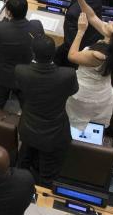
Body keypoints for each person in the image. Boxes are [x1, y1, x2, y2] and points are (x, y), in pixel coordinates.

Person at [66, 0, 113, 129]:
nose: (110, 21)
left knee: (78, 124)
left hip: (85, 94)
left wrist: (80, 31)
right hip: (102, 90)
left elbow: (72, 56)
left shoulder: (97, 55)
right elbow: (92, 16)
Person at [15, 36, 78, 184]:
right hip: (54, 133)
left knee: (22, 163)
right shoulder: (67, 74)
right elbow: (73, 90)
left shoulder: (21, 71)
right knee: (48, 175)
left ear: (33, 53)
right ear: (54, 52)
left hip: (28, 127)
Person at [0, 0, 45, 109]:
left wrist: (5, 20)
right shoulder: (36, 26)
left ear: (8, 12)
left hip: (1, 76)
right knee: (28, 110)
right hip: (26, 76)